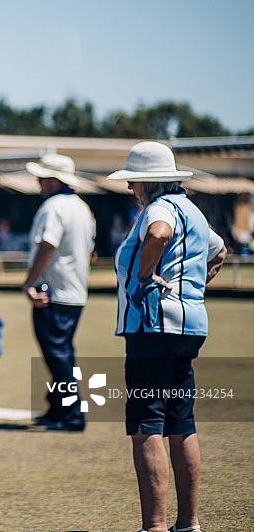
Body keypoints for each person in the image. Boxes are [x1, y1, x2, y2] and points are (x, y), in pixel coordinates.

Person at [108, 141, 226, 532]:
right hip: (188, 326)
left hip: (152, 326)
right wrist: (194, 288)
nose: (130, 189)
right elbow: (218, 251)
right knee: (182, 423)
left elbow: (158, 234)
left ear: (149, 182)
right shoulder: (192, 210)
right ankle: (188, 523)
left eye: (134, 181)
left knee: (146, 425)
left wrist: (145, 277)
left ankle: (154, 527)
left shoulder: (159, 209)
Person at [22, 153, 95, 432]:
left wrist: (29, 281)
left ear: (53, 181)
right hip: (74, 291)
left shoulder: (53, 207)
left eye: (42, 178)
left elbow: (47, 246)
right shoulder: (82, 207)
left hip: (54, 293)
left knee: (57, 354)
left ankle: (73, 414)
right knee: (61, 351)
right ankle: (57, 408)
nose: (39, 183)